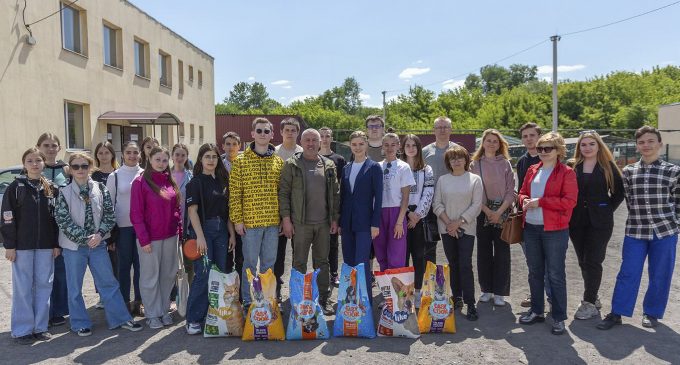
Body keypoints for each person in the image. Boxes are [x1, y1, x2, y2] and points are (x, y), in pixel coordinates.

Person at [598, 126, 680, 330]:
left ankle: (651, 313)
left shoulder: (673, 171)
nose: (646, 145)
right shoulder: (628, 171)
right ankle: (617, 312)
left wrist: (674, 225)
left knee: (660, 273)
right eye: (642, 142)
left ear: (659, 144)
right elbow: (628, 200)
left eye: (651, 141)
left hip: (665, 233)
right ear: (637, 146)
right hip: (635, 232)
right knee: (628, 271)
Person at [54, 152, 143, 336]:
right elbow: (63, 221)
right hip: (74, 248)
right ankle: (79, 323)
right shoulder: (62, 192)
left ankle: (120, 318)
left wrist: (100, 235)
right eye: (76, 166)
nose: (80, 170)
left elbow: (109, 215)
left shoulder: (100, 188)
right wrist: (87, 238)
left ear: (90, 168)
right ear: (70, 170)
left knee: (109, 283)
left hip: (98, 245)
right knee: (74, 287)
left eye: (84, 166)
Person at [518, 132, 577, 336]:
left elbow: (569, 201)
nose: (542, 152)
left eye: (547, 148)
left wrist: (541, 202)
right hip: (531, 228)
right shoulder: (533, 170)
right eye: (540, 148)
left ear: (558, 150)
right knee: (535, 272)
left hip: (555, 231)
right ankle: (536, 311)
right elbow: (522, 192)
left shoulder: (567, 173)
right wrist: (524, 200)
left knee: (555, 274)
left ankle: (559, 317)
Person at [1, 148, 60, 344]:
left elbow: (56, 220)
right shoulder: (15, 187)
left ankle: (40, 327)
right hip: (22, 247)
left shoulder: (50, 188)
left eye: (38, 160)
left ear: (44, 163)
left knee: (44, 285)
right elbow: (7, 218)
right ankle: (23, 329)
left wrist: (55, 244)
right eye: (30, 161)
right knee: (23, 287)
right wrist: (9, 245)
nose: (34, 164)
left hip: (45, 246)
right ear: (24, 164)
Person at [279, 128, 340, 315]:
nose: (311, 143)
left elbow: (335, 194)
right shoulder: (291, 164)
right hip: (300, 223)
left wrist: (335, 219)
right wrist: (287, 220)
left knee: (322, 262)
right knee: (299, 263)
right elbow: (284, 194)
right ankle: (298, 299)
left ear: (320, 142)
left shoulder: (328, 165)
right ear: (302, 142)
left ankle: (323, 298)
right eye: (307, 140)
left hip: (323, 224)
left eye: (315, 140)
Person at [229, 118, 284, 313]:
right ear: (252, 134)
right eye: (259, 131)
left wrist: (282, 219)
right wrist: (237, 220)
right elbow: (235, 192)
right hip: (250, 223)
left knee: (269, 265)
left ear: (271, 135)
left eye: (266, 131)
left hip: (272, 222)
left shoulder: (278, 161)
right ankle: (248, 301)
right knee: (250, 265)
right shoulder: (241, 160)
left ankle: (268, 301)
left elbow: (281, 192)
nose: (262, 134)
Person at [569, 131, 624, 320]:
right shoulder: (573, 165)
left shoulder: (608, 167)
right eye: (583, 144)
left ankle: (589, 302)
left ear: (598, 145)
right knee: (583, 261)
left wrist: (605, 210)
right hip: (576, 222)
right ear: (579, 147)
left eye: (591, 144)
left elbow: (618, 193)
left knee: (593, 260)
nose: (587, 148)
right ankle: (594, 295)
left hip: (600, 223)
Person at [184, 143, 235, 334]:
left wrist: (231, 234)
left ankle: (214, 316)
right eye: (207, 157)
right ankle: (193, 319)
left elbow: (227, 211)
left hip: (222, 230)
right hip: (203, 231)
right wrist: (200, 237)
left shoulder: (223, 180)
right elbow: (192, 211)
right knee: (203, 274)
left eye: (214, 156)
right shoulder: (195, 183)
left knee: (220, 273)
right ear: (201, 160)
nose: (211, 160)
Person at [130, 147, 182, 330]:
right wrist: (144, 240)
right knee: (150, 277)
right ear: (149, 159)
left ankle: (163, 311)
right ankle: (152, 314)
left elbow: (176, 209)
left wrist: (179, 231)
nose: (161, 163)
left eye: (164, 160)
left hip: (170, 236)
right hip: (150, 240)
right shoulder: (140, 182)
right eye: (157, 159)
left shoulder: (169, 180)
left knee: (167, 276)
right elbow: (136, 214)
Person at [433, 145, 483, 321]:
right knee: (453, 264)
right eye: (452, 158)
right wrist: (449, 224)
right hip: (446, 229)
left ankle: (471, 303)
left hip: (466, 229)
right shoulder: (442, 180)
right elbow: (437, 204)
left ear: (466, 159)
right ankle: (457, 298)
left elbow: (476, 205)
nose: (456, 161)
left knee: (465, 264)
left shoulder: (475, 179)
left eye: (459, 157)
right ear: (448, 162)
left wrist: (459, 222)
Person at [470, 129, 516, 307]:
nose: (491, 143)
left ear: (500, 144)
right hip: (482, 213)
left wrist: (499, 212)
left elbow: (511, 191)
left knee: (502, 252)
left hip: (503, 213)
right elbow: (473, 191)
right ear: (483, 143)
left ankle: (500, 292)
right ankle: (486, 290)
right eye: (488, 140)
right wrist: (488, 211)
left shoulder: (505, 163)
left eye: (495, 141)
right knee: (484, 252)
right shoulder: (475, 164)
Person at [339, 131, 383, 291]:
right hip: (347, 223)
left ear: (366, 145)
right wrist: (340, 222)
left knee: (361, 262)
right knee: (348, 261)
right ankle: (350, 302)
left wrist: (375, 223)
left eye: (361, 144)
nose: (357, 147)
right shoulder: (346, 168)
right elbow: (343, 197)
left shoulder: (374, 167)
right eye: (354, 144)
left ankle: (365, 303)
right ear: (350, 146)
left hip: (365, 223)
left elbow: (379, 198)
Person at [106, 141, 144, 316]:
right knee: (123, 266)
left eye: (135, 152)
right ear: (123, 154)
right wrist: (110, 236)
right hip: (122, 228)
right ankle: (124, 302)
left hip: (142, 227)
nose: (132, 155)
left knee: (140, 266)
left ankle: (139, 301)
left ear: (140, 155)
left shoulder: (145, 174)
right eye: (129, 152)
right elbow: (108, 205)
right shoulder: (114, 176)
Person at [36, 132, 69, 327]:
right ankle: (42, 312)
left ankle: (58, 310)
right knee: (40, 272)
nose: (50, 149)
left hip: (62, 227)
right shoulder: (33, 168)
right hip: (40, 227)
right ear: (39, 147)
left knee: (60, 271)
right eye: (46, 145)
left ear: (59, 148)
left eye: (53, 145)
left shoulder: (66, 170)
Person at [515, 122, 547, 309]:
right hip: (528, 219)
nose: (529, 139)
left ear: (539, 136)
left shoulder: (551, 158)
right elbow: (521, 190)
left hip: (549, 219)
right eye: (525, 136)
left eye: (532, 135)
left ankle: (551, 297)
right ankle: (535, 294)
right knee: (532, 261)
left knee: (550, 261)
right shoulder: (522, 161)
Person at [401, 134, 434, 308]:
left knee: (419, 257)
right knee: (402, 257)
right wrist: (407, 213)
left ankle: (419, 292)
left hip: (419, 219)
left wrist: (417, 215)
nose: (411, 148)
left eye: (414, 145)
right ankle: (404, 293)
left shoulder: (426, 169)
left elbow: (428, 193)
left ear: (419, 148)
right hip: (401, 218)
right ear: (403, 148)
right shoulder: (398, 168)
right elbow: (395, 194)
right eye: (408, 145)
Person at [374, 133, 415, 272]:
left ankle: (396, 291)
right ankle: (386, 290)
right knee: (381, 253)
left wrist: (399, 221)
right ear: (382, 146)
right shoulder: (376, 166)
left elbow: (405, 197)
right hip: (379, 213)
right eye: (386, 145)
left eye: (393, 144)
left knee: (396, 255)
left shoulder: (403, 167)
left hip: (396, 212)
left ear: (398, 146)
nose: (389, 148)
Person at [422, 117, 459, 266]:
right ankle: (429, 282)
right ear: (433, 130)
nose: (442, 130)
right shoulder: (425, 151)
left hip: (452, 204)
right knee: (429, 246)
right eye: (439, 127)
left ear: (451, 129)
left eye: (445, 127)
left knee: (453, 246)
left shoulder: (457, 151)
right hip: (430, 204)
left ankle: (456, 282)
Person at [273, 117, 303, 301]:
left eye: (293, 130)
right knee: (278, 252)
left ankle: (298, 289)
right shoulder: (274, 152)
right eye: (287, 130)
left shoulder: (302, 152)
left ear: (297, 133)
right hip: (278, 208)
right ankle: (276, 286)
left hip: (299, 209)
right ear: (281, 132)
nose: (290, 133)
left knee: (299, 252)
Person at [92, 141, 120, 309]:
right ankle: (102, 296)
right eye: (100, 153)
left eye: (106, 152)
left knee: (115, 263)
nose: (103, 156)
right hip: (98, 227)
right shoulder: (92, 176)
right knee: (99, 264)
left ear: (112, 154)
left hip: (116, 224)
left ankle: (115, 295)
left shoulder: (118, 174)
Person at [319, 127, 346, 287]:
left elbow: (342, 186)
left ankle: (334, 273)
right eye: (321, 136)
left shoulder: (339, 159)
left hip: (333, 208)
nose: (324, 139)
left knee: (333, 243)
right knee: (318, 244)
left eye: (327, 136)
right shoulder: (312, 157)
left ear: (331, 138)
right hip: (316, 207)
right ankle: (320, 273)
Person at [220, 132, 244, 298]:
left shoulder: (244, 164)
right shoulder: (218, 165)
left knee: (242, 258)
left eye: (234, 144)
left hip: (242, 217)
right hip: (223, 215)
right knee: (226, 258)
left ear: (239, 146)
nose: (231, 147)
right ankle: (227, 296)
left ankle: (242, 294)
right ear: (223, 146)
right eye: (227, 144)